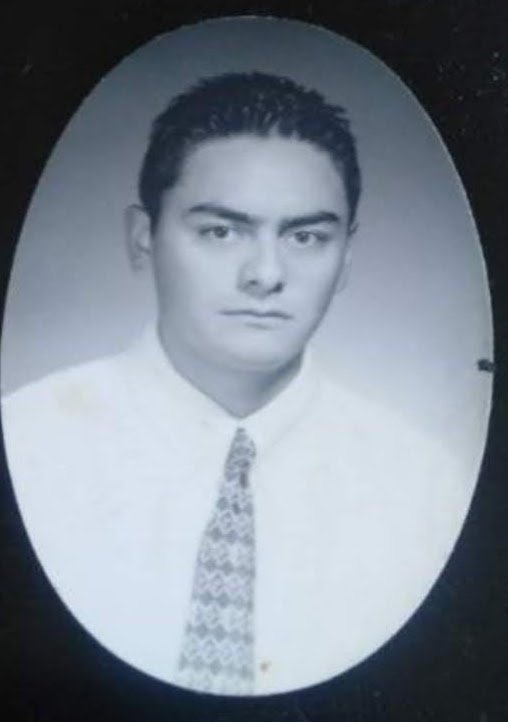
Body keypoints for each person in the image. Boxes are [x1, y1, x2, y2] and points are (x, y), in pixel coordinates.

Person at [2, 72, 468, 696]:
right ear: (143, 239)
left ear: (346, 259)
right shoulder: (26, 442)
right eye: (221, 231)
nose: (266, 274)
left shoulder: (426, 489)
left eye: (306, 237)